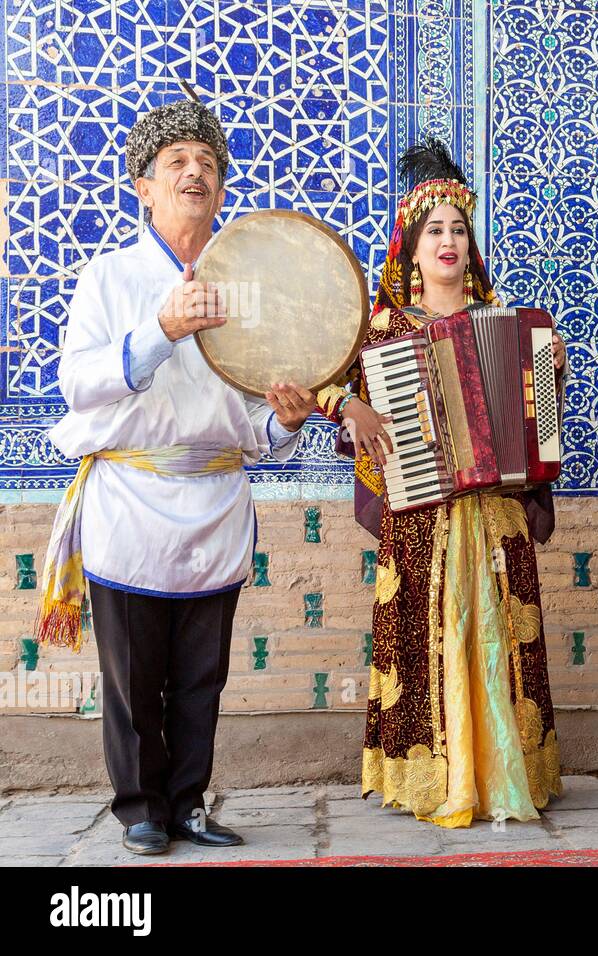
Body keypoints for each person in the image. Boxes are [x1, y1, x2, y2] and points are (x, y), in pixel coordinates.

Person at [38, 98, 316, 855]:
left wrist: (287, 419)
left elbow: (252, 427)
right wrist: (161, 328)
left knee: (202, 677)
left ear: (223, 188)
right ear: (145, 187)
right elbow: (78, 384)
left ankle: (190, 803)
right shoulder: (110, 278)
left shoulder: (249, 286)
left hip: (217, 500)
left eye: (209, 163)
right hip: (131, 499)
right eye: (177, 163)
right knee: (133, 679)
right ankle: (141, 810)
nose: (196, 173)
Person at [314, 138, 566, 826]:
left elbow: (537, 423)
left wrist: (545, 374)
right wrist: (349, 403)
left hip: (495, 513)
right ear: (412, 246)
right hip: (421, 513)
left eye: (458, 229)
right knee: (429, 636)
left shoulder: (510, 324)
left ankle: (505, 770)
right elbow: (322, 382)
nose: (449, 240)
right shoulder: (383, 326)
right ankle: (434, 775)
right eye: (435, 230)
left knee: (497, 635)